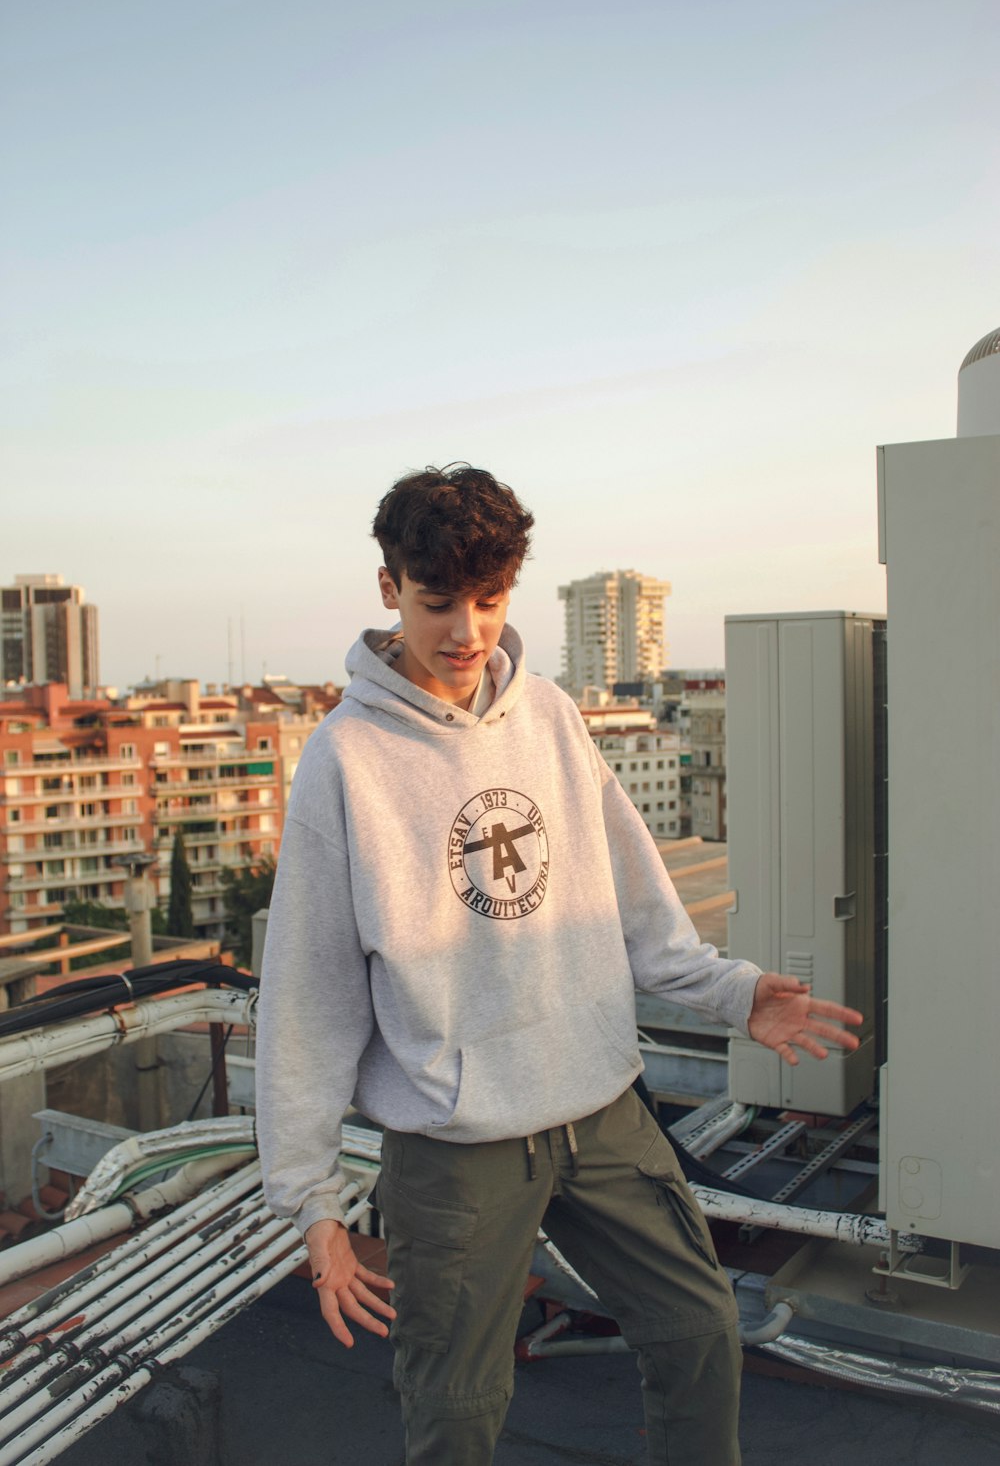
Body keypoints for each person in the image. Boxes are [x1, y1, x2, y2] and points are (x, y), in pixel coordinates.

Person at [256, 463, 863, 1466]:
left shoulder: (546, 716)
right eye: (436, 600)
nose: (464, 631)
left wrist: (734, 991)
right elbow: (309, 999)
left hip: (598, 1107)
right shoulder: (346, 758)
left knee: (700, 1331)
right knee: (455, 1410)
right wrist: (311, 1203)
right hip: (456, 1144)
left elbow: (632, 901)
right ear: (388, 589)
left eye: (488, 601)